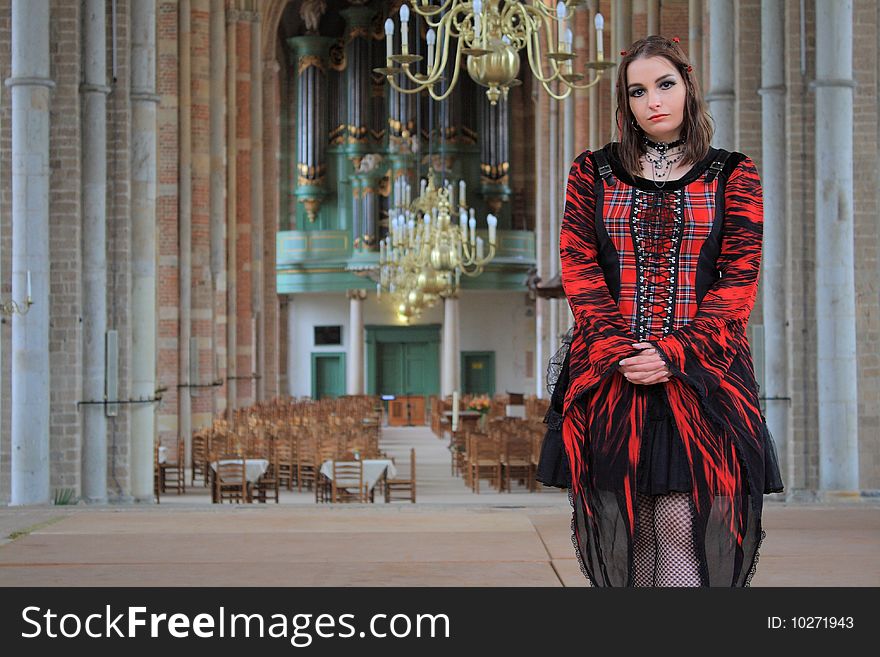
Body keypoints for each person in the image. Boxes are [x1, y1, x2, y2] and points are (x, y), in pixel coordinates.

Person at [559, 35, 784, 587]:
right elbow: (578, 268)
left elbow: (738, 279)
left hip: (702, 382)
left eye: (665, 84)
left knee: (685, 540)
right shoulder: (592, 171)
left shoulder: (734, 173)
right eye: (638, 91)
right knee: (630, 549)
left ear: (688, 86)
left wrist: (673, 353)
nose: (653, 100)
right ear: (626, 103)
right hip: (615, 380)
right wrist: (622, 352)